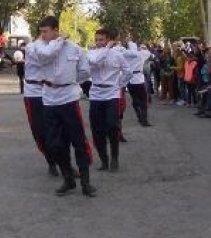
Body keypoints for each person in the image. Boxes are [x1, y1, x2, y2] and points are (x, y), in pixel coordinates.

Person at [33, 16, 94, 197]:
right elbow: (46, 55)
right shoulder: (39, 47)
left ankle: (85, 182)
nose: (42, 35)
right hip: (49, 98)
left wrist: (72, 83)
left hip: (68, 98)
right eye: (41, 31)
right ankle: (68, 178)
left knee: (78, 141)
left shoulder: (75, 48)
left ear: (55, 29)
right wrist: (58, 41)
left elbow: (85, 71)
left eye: (45, 31)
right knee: (54, 143)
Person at [88, 28, 132, 172]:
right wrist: (106, 48)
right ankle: (104, 160)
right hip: (96, 94)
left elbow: (128, 71)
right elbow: (95, 61)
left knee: (112, 126)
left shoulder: (117, 55)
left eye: (101, 39)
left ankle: (114, 158)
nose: (98, 42)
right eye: (97, 39)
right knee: (97, 129)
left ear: (108, 40)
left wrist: (120, 84)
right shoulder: (92, 53)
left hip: (112, 94)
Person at [23, 37, 59, 176]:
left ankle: (63, 162)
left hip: (51, 91)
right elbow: (44, 59)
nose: (46, 34)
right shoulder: (32, 47)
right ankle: (50, 161)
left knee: (57, 129)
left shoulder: (55, 46)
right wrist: (59, 42)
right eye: (43, 31)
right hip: (33, 92)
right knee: (39, 130)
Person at [124, 40, 151, 127]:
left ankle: (139, 117)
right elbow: (148, 52)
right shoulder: (141, 54)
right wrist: (142, 48)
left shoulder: (125, 54)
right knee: (143, 100)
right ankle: (144, 120)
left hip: (130, 80)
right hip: (139, 79)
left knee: (135, 100)